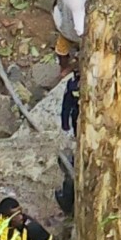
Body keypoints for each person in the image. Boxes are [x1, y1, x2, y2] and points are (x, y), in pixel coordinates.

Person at [49, 0, 90, 76]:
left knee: (61, 48)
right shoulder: (76, 1)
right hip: (71, 31)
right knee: (67, 43)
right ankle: (74, 66)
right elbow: (79, 29)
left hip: (60, 18)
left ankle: (63, 68)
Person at [55, 72, 79, 214]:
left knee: (72, 176)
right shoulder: (73, 84)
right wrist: (65, 123)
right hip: (79, 123)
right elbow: (67, 103)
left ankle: (68, 202)